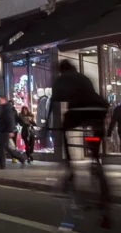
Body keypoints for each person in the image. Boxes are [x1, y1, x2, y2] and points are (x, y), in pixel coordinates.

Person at [47, 59, 111, 226]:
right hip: (99, 111)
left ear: (61, 70)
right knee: (94, 145)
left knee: (65, 125)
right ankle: (95, 159)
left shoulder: (62, 79)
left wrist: (48, 125)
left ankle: (69, 162)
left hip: (79, 112)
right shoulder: (83, 77)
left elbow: (54, 102)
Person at [0, 96, 25, 169]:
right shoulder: (4, 108)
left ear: (3, 100)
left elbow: (10, 120)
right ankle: (20, 158)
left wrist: (10, 131)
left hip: (5, 131)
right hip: (3, 130)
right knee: (5, 148)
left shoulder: (7, 108)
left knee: (2, 148)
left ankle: (2, 165)